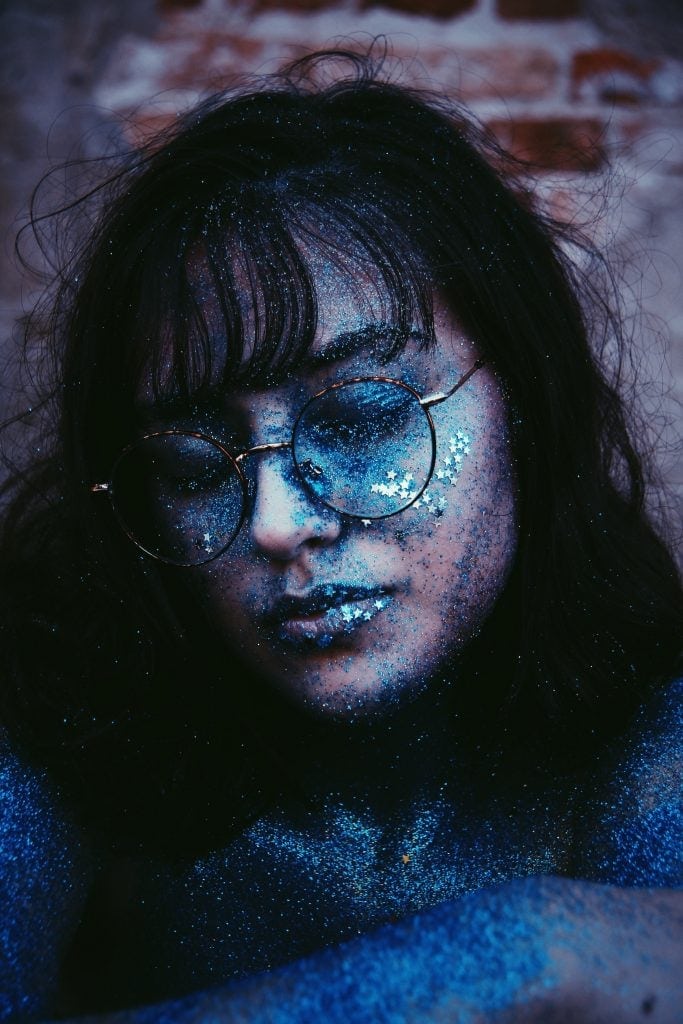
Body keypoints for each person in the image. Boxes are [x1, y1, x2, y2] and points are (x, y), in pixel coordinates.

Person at [0, 48, 681, 1023]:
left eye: (361, 419)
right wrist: (513, 960)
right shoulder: (59, 730)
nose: (275, 523)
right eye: (194, 465)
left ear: (525, 405)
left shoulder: (650, 743)